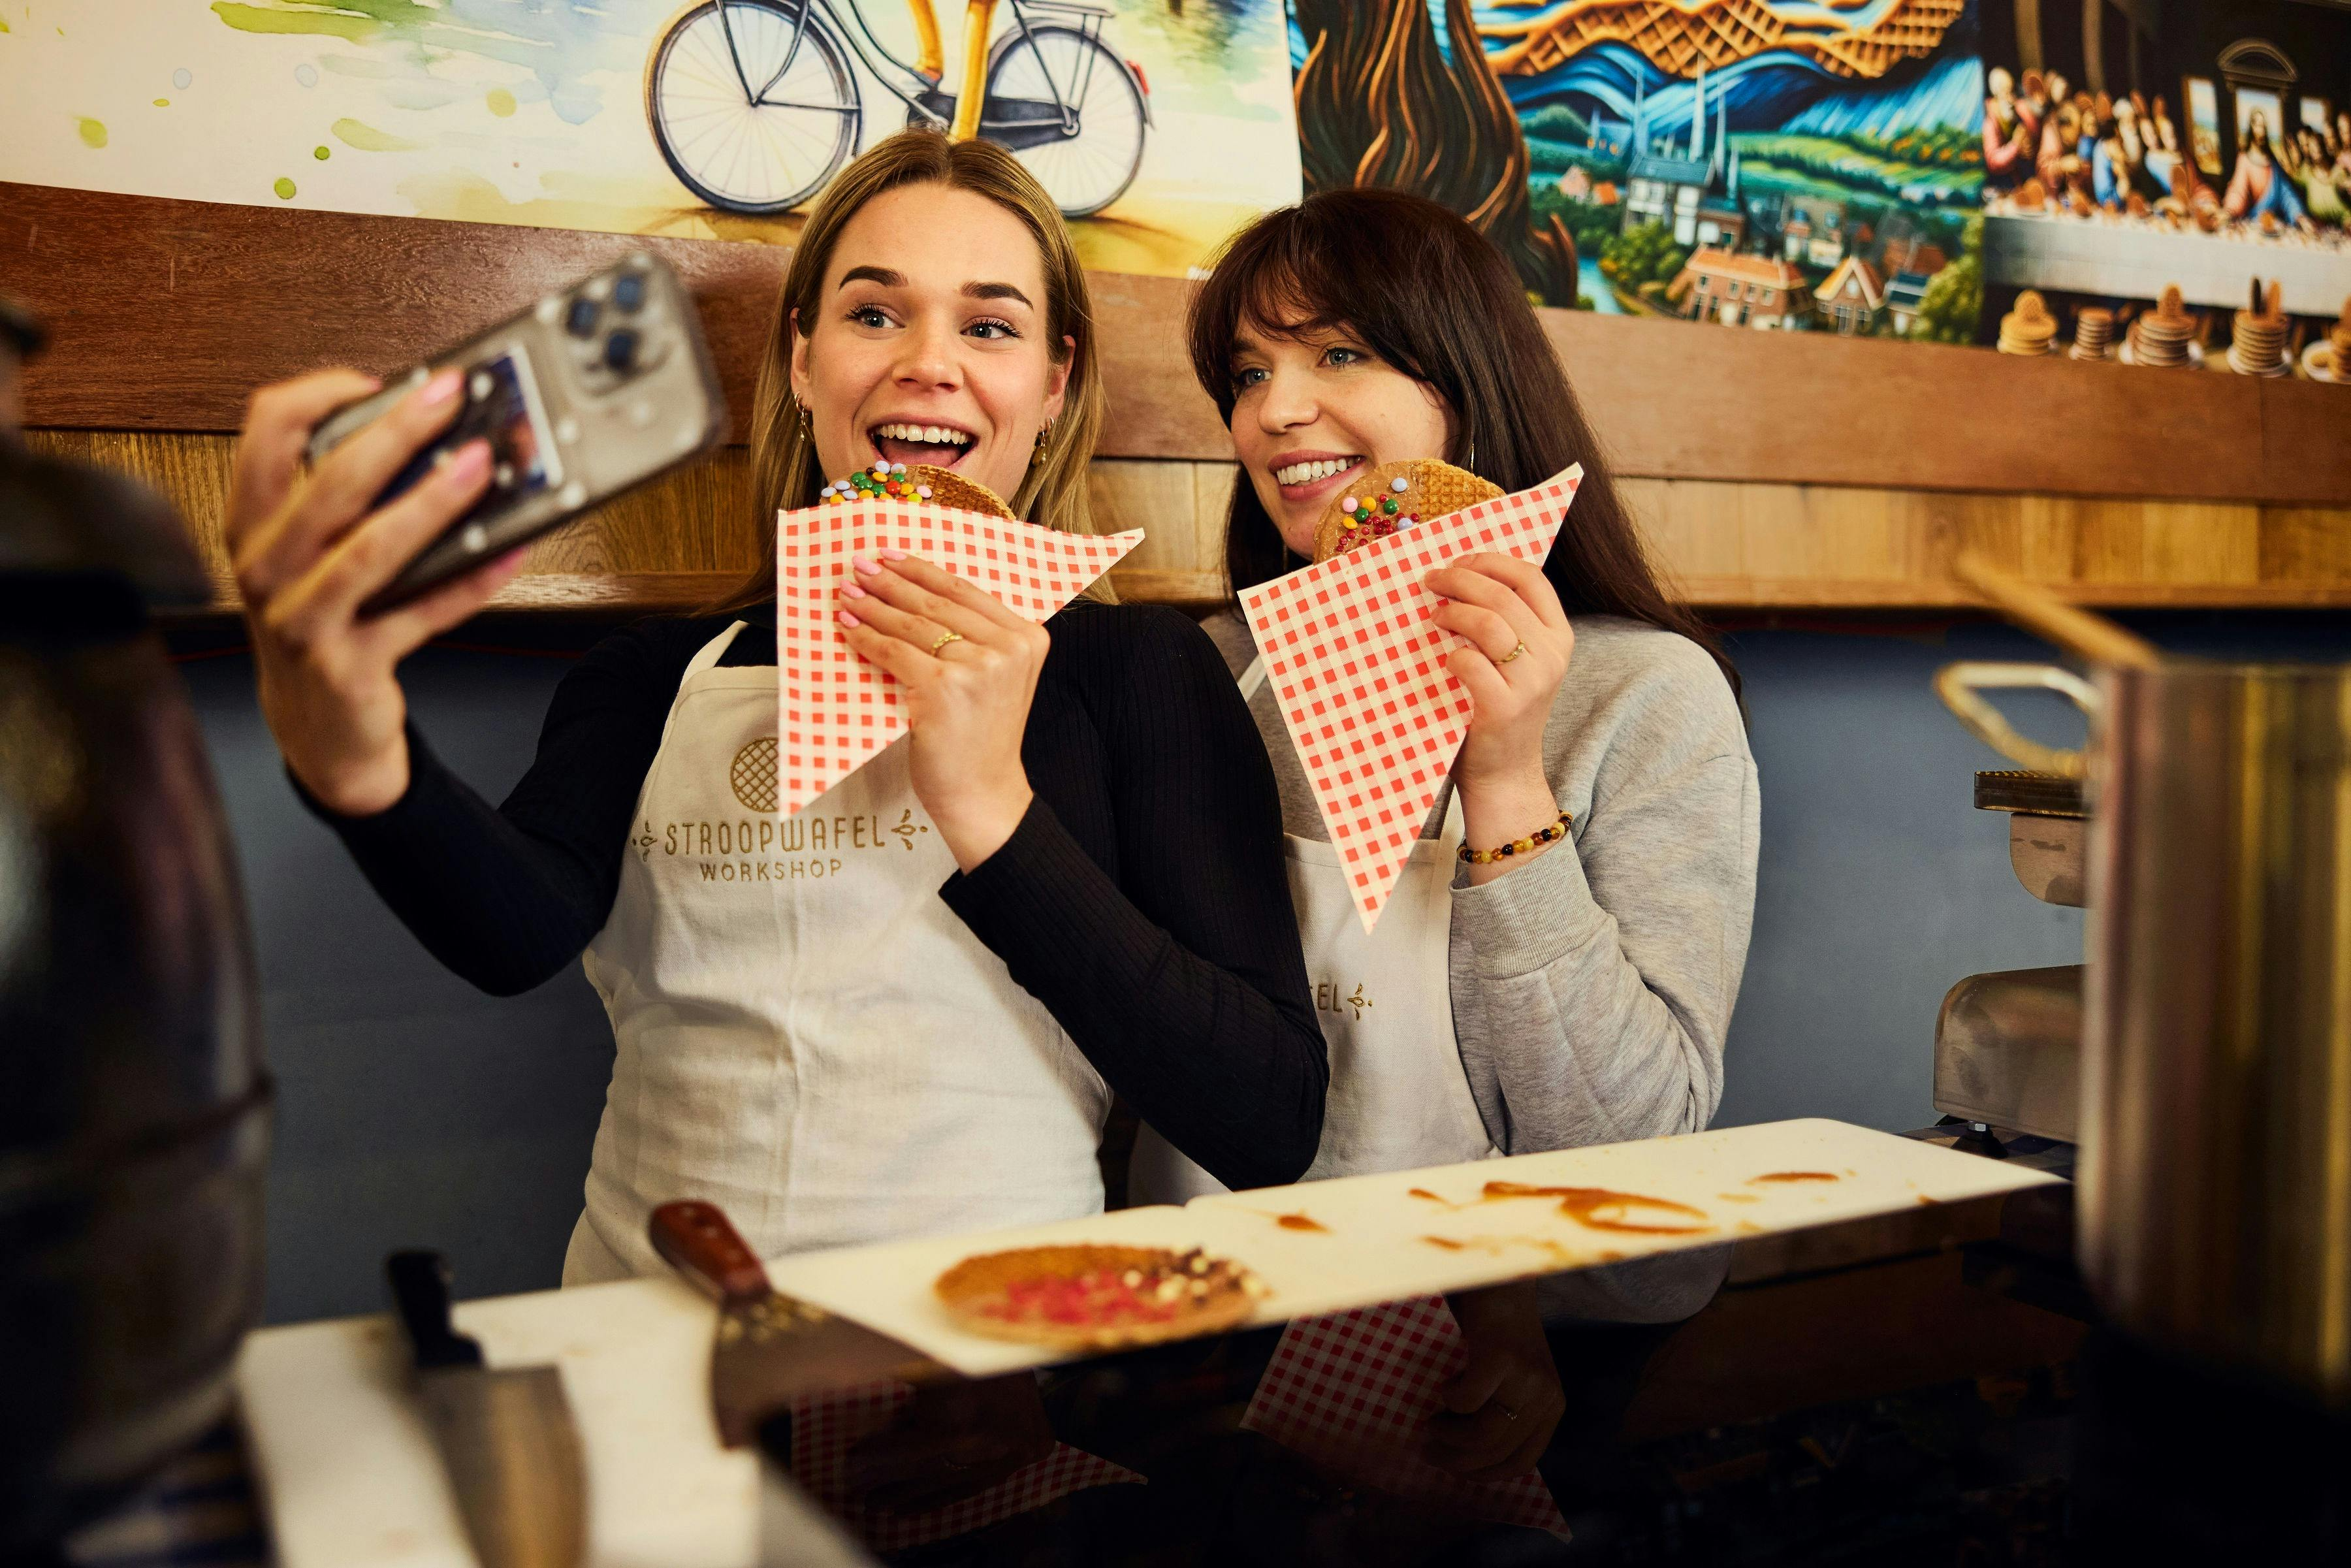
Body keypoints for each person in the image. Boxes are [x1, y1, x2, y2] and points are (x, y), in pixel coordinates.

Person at [220, 129, 1328, 1296]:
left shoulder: (1133, 668)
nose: (928, 364)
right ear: (803, 366)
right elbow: (514, 937)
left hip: (996, 1381)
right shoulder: (654, 672)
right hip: (648, 1346)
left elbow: (1265, 1118)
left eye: (989, 325)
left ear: (1051, 389)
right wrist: (355, 755)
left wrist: (993, 813)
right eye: (873, 313)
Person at [1136, 188, 1759, 1479]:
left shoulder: (1643, 696)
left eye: (1340, 353)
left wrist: (1507, 772)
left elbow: (1634, 1151)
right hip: (1209, 1332)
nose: (1275, 411)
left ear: (1468, 383)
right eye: (1247, 372)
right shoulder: (1204, 677)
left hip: (1550, 1354)